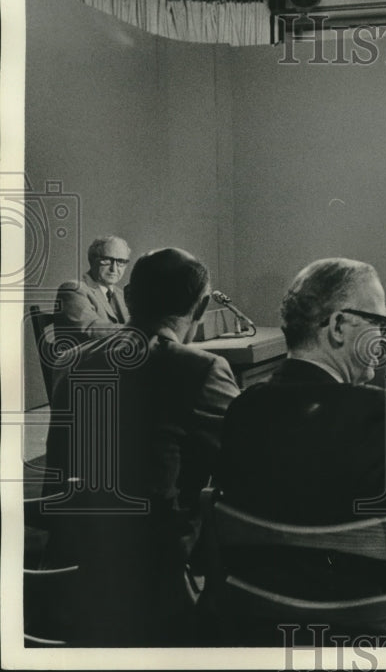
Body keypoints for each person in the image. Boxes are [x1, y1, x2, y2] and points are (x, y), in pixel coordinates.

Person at [217, 258, 386, 638]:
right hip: (363, 638)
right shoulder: (373, 412)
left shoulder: (243, 409)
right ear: (338, 326)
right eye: (380, 324)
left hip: (262, 632)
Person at [43, 248, 240, 646]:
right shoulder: (200, 369)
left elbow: (58, 476)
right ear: (201, 306)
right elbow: (254, 457)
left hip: (74, 571)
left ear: (129, 298)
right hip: (162, 579)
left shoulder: (73, 363)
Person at [55, 235, 132, 340]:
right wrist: (138, 330)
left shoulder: (120, 294)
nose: (114, 269)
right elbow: (91, 329)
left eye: (121, 262)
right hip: (83, 355)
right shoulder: (73, 288)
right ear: (92, 259)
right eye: (107, 260)